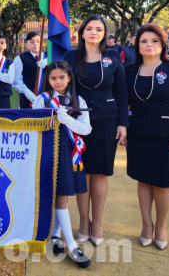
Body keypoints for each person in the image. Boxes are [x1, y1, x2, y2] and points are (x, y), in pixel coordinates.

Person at [125, 23, 169, 250]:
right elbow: (123, 103)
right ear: (137, 44)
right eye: (144, 41)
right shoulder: (129, 71)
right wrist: (123, 128)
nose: (148, 45)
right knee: (143, 180)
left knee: (163, 184)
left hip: (167, 137)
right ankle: (146, 225)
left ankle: (161, 226)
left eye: (154, 41)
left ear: (163, 44)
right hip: (138, 136)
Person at [63, 15, 128, 245]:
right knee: (81, 172)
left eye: (98, 29)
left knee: (100, 173)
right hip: (77, 122)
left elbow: (121, 92)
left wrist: (123, 124)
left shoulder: (113, 58)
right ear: (81, 33)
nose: (93, 32)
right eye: (88, 28)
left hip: (106, 120)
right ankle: (83, 221)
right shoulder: (70, 57)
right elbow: (60, 86)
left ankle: (97, 223)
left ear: (104, 34)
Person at [33, 61, 92, 268]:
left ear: (69, 78)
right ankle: (72, 244)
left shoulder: (78, 99)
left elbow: (86, 129)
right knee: (59, 196)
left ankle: (56, 235)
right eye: (53, 78)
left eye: (62, 78)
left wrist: (66, 119)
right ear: (47, 80)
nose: (58, 82)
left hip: (69, 154)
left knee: (63, 194)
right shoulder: (41, 100)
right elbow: (34, 128)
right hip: (49, 154)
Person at [13, 32, 47, 109]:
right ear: (27, 45)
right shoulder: (21, 58)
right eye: (32, 42)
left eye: (38, 41)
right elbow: (16, 80)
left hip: (46, 96)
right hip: (27, 98)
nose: (35, 44)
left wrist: (49, 61)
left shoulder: (48, 57)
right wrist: (27, 92)